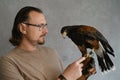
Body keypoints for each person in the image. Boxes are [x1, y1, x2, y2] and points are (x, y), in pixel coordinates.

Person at [0, 6, 95, 80]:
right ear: (23, 28)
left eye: (45, 25)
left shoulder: (51, 52)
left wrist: (83, 75)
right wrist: (66, 77)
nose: (46, 31)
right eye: (40, 26)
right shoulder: (7, 62)